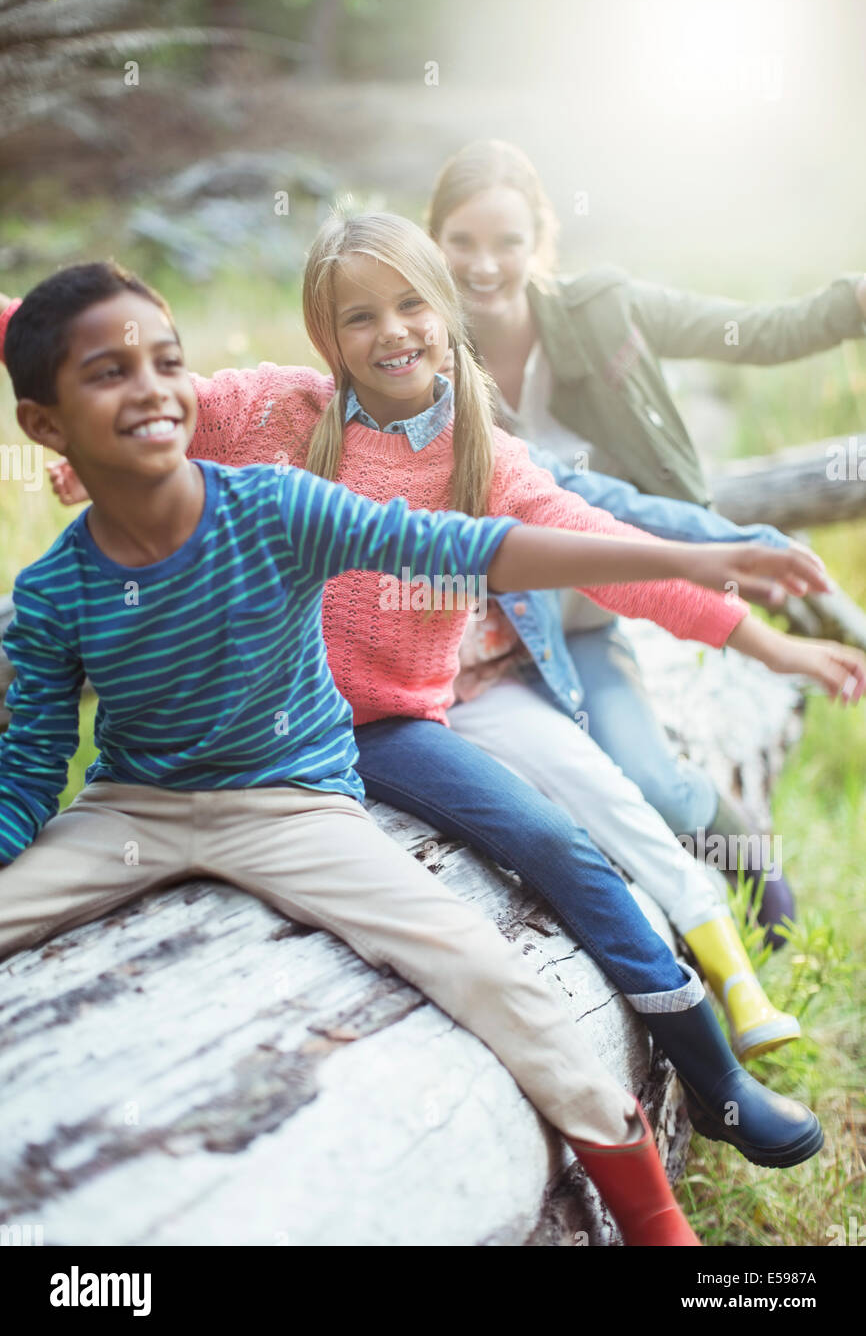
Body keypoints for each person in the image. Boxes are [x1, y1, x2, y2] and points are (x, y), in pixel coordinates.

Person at [2, 230, 854, 1173]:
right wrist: (83, 441)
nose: (392, 333)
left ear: (448, 312)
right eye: (358, 316)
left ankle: (712, 1072)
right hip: (258, 736)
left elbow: (604, 551)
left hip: (394, 723)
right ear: (326, 336)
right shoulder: (274, 410)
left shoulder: (485, 457)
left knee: (556, 841)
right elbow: (110, 370)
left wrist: (761, 637)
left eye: (412, 305)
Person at [427, 137, 866, 948]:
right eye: (462, 243)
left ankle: (754, 872)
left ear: (541, 240)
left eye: (507, 243)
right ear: (435, 243)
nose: (483, 265)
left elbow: (757, 333)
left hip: (602, 598)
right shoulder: (421, 354)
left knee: (653, 782)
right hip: (483, 633)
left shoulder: (605, 311)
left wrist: (852, 303)